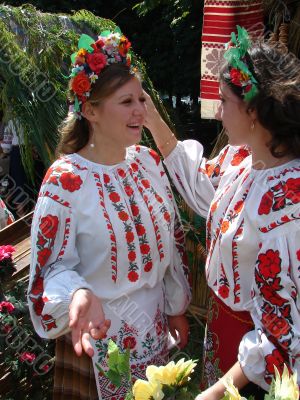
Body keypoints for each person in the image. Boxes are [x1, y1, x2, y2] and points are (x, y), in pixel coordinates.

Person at [28, 30, 191, 400]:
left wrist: (175, 306)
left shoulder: (148, 163)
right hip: (96, 342)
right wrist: (76, 294)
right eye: (125, 101)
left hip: (152, 336)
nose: (140, 111)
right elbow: (48, 270)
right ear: (90, 111)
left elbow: (173, 241)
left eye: (141, 99)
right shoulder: (66, 181)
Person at [144, 26, 300, 399]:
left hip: (257, 366)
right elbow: (200, 185)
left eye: (225, 100)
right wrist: (151, 119)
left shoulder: (287, 202)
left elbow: (284, 332)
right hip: (223, 331)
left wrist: (217, 391)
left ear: (253, 112)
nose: (217, 110)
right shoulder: (244, 161)